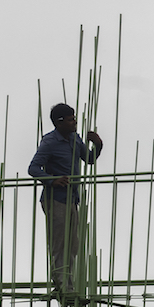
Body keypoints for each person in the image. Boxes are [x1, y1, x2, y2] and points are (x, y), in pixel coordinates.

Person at [29, 103, 102, 295]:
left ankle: (66, 284)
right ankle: (62, 285)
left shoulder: (74, 138)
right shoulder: (50, 142)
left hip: (72, 199)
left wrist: (98, 145)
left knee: (72, 244)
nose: (75, 122)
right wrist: (52, 180)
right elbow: (33, 169)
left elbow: (90, 159)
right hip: (55, 199)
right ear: (59, 123)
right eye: (71, 119)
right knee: (59, 243)